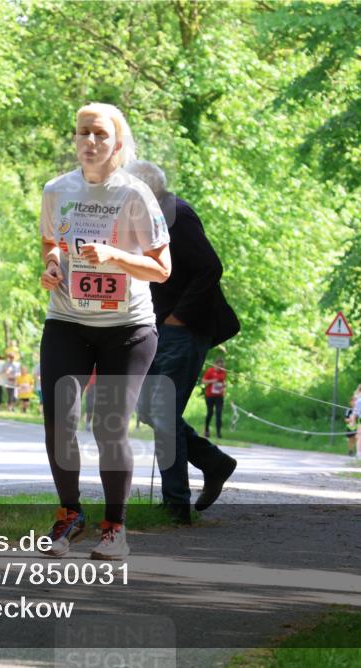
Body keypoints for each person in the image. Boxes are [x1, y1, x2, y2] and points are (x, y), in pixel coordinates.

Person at [36, 102, 170, 560]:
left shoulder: (134, 195)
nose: (89, 142)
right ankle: (69, 516)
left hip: (127, 327)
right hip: (67, 318)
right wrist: (53, 265)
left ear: (118, 142)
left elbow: (161, 268)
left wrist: (114, 257)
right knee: (59, 421)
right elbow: (51, 241)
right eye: (82, 133)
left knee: (108, 426)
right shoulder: (57, 190)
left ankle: (115, 528)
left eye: (99, 134)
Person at [127, 160, 240, 523]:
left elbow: (211, 267)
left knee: (162, 412)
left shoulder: (178, 214)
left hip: (185, 327)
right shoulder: (141, 216)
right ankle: (213, 461)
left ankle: (175, 506)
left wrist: (179, 317)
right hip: (157, 326)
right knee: (148, 409)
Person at [202, 359, 227, 440]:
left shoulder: (223, 372)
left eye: (221, 366)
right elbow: (203, 381)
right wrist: (212, 381)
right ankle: (206, 430)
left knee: (219, 414)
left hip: (219, 396)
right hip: (210, 396)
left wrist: (224, 385)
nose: (219, 367)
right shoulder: (210, 371)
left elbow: (224, 381)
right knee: (210, 412)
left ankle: (218, 433)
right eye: (218, 365)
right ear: (215, 364)